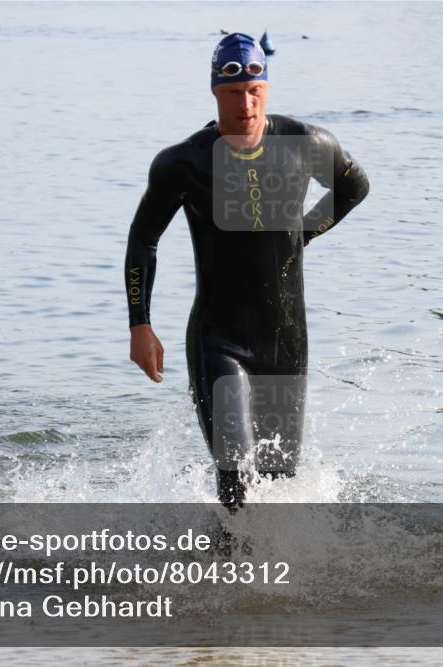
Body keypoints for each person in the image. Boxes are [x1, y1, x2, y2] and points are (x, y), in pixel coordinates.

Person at [124, 32, 369, 509]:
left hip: (286, 341)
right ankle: (232, 579)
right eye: (234, 93)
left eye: (255, 91)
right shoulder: (184, 162)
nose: (246, 104)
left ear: (267, 89)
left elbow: (354, 186)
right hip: (220, 339)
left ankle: (262, 571)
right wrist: (141, 325)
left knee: (279, 482)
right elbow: (142, 240)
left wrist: (305, 232)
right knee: (235, 472)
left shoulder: (305, 142)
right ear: (216, 92)